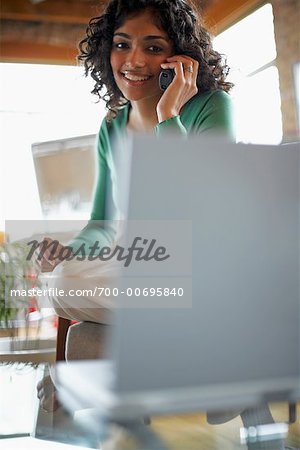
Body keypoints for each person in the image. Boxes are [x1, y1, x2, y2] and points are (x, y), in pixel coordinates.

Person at [37, 2, 284, 449]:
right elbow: (102, 220)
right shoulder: (112, 126)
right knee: (65, 287)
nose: (133, 61)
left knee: (93, 330)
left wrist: (171, 117)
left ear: (180, 58)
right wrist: (76, 251)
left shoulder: (210, 107)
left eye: (153, 47)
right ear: (105, 52)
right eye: (121, 44)